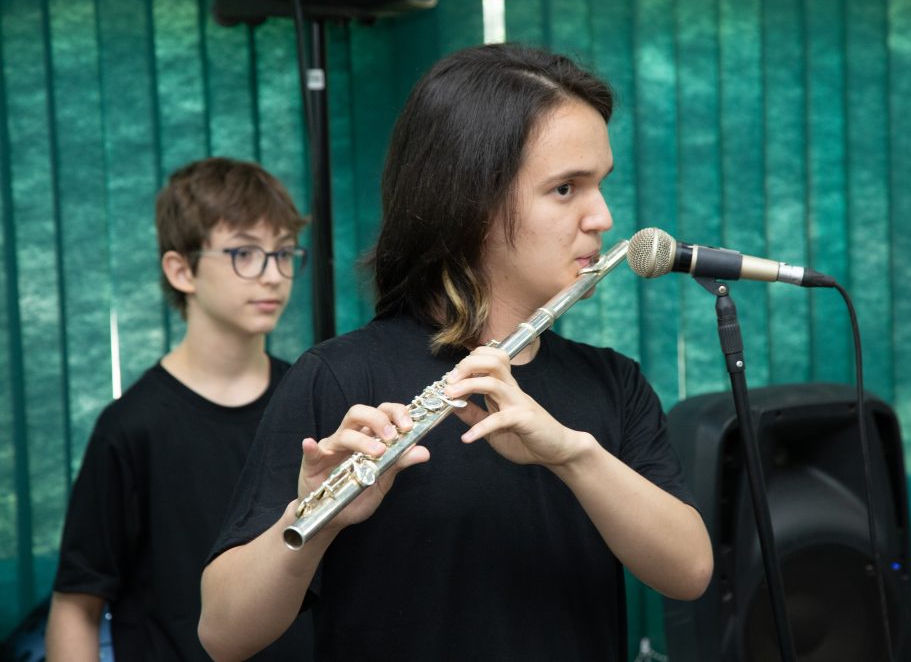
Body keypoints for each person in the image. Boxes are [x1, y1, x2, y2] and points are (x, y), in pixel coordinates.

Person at [198, 44, 713, 661]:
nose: (601, 216)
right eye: (565, 188)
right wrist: (317, 520)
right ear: (470, 199)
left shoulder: (611, 382)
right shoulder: (340, 376)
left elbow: (689, 571)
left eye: (600, 185)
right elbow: (224, 634)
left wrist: (572, 454)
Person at [47, 157, 315, 661]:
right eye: (244, 253)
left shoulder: (310, 399)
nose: (273, 275)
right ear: (181, 269)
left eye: (283, 254)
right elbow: (76, 606)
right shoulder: (130, 428)